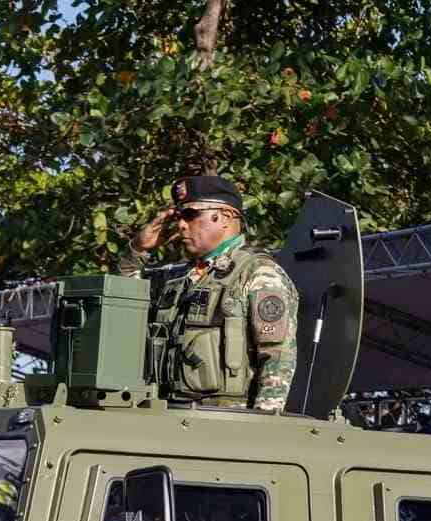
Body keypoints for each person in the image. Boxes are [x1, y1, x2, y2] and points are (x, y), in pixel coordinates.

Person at [121, 175, 298, 413]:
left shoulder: (259, 273)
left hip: (224, 424)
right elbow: (125, 299)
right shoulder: (181, 277)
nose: (181, 225)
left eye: (191, 215)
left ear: (225, 217)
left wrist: (262, 428)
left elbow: (277, 358)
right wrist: (138, 249)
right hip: (168, 415)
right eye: (180, 217)